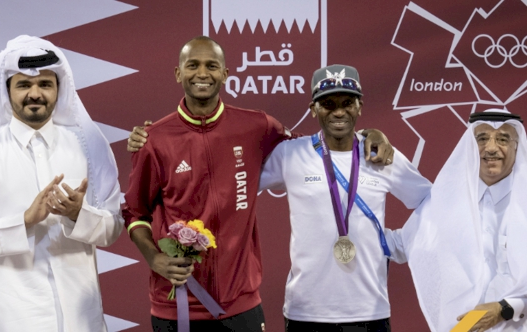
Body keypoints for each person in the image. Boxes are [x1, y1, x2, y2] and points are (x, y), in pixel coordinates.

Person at [122, 36, 394, 331]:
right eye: (193, 65)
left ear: (225, 74)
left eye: (212, 65)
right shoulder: (155, 139)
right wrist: (154, 259)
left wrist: (368, 134)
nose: (202, 73)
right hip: (177, 306)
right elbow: (135, 213)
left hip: (242, 306)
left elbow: (316, 146)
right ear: (178, 73)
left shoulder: (257, 126)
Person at [0, 35, 123, 332]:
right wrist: (24, 221)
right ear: (7, 91)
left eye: (45, 84)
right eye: (24, 85)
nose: (35, 93)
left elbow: (113, 229)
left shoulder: (88, 146)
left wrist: (78, 215)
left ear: (59, 89)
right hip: (11, 317)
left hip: (81, 319)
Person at [258, 64, 431, 331]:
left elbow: (430, 201)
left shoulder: (381, 155)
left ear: (360, 106)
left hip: (369, 310)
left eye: (347, 102)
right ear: (313, 109)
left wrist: (398, 242)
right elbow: (240, 188)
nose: (339, 111)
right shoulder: (290, 155)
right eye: (327, 104)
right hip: (306, 312)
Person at [389, 110, 527, 331]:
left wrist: (505, 308)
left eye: (502, 139)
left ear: (517, 146)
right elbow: (401, 245)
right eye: (482, 139)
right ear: (470, 146)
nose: (491, 148)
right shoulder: (446, 200)